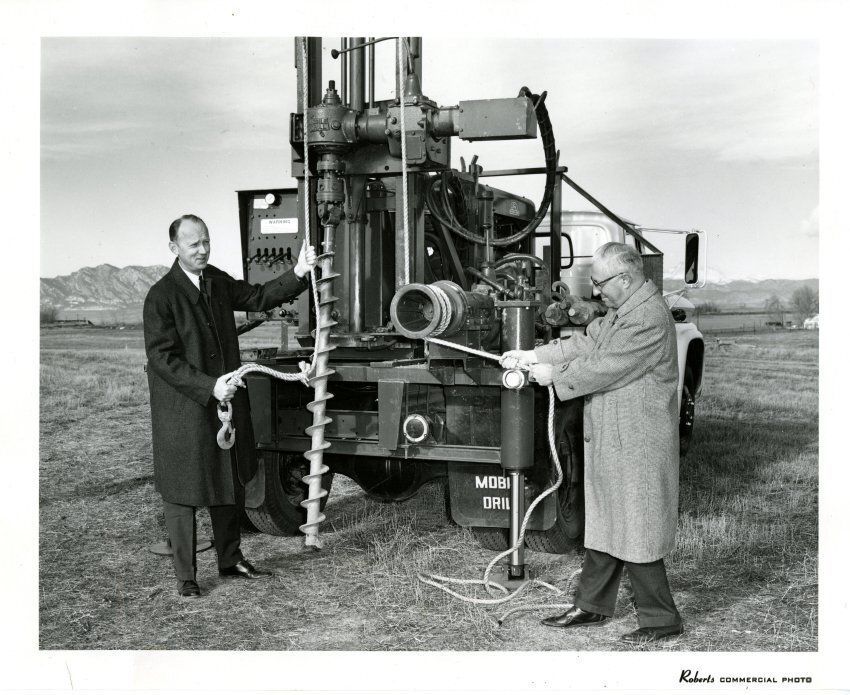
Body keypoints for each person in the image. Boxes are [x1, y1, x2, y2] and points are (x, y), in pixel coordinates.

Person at [500, 242, 683, 644]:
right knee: (606, 520)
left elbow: (605, 367)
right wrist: (531, 355)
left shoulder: (648, 318)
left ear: (625, 279)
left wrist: (554, 375)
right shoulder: (623, 310)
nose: (596, 291)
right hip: (616, 437)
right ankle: (592, 605)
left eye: (600, 283)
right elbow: (586, 343)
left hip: (637, 441)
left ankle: (661, 620)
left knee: (637, 527)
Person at [144, 213, 317, 598]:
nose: (203, 249)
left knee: (227, 480)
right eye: (194, 244)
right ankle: (186, 577)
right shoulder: (160, 296)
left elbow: (257, 298)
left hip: (223, 404)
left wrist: (298, 273)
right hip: (184, 409)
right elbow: (162, 358)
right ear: (174, 248)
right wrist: (210, 386)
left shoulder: (216, 281)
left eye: (206, 241)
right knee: (182, 491)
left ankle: (230, 559)